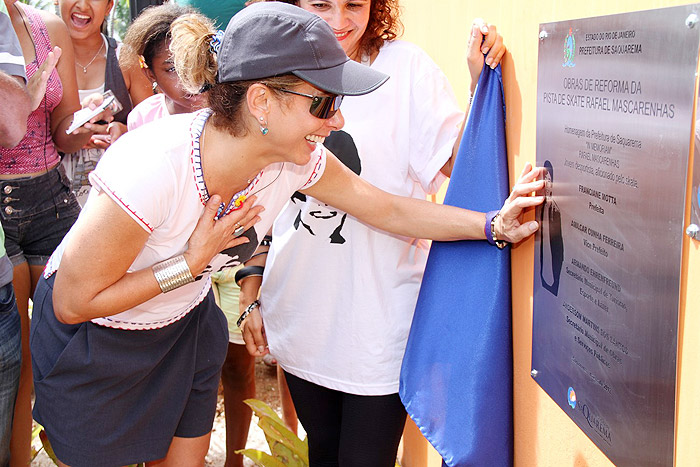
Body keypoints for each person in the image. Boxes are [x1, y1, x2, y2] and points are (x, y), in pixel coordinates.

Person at [29, 3, 542, 466]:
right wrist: (187, 266)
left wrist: (492, 224)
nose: (336, 119)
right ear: (261, 102)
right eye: (323, 104)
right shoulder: (151, 169)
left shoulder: (295, 161)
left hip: (181, 324)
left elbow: (384, 208)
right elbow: (74, 303)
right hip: (96, 337)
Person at [242, 0, 508, 465]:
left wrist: (476, 85)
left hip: (380, 326)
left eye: (354, 4)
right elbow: (261, 198)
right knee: (323, 453)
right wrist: (252, 295)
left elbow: (451, 165)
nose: (340, 20)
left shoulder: (406, 70)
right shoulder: (275, 73)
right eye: (322, 4)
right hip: (302, 317)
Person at [122, 6, 255, 466]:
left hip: (231, 257)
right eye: (169, 70)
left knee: (237, 362)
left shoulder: (231, 116)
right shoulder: (143, 123)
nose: (187, 81)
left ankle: (234, 457)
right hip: (170, 270)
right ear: (150, 73)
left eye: (193, 64)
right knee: (169, 371)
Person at [1, 0, 109, 464]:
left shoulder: (46, 27)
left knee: (68, 347)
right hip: (1, 212)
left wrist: (84, 126)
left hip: (52, 201)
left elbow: (61, 132)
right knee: (19, 358)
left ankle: (73, 449)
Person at [58, 0, 152, 205]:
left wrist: (124, 131)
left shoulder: (124, 58)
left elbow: (156, 128)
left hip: (118, 197)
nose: (82, 6)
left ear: (110, 6)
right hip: (52, 202)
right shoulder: (42, 60)